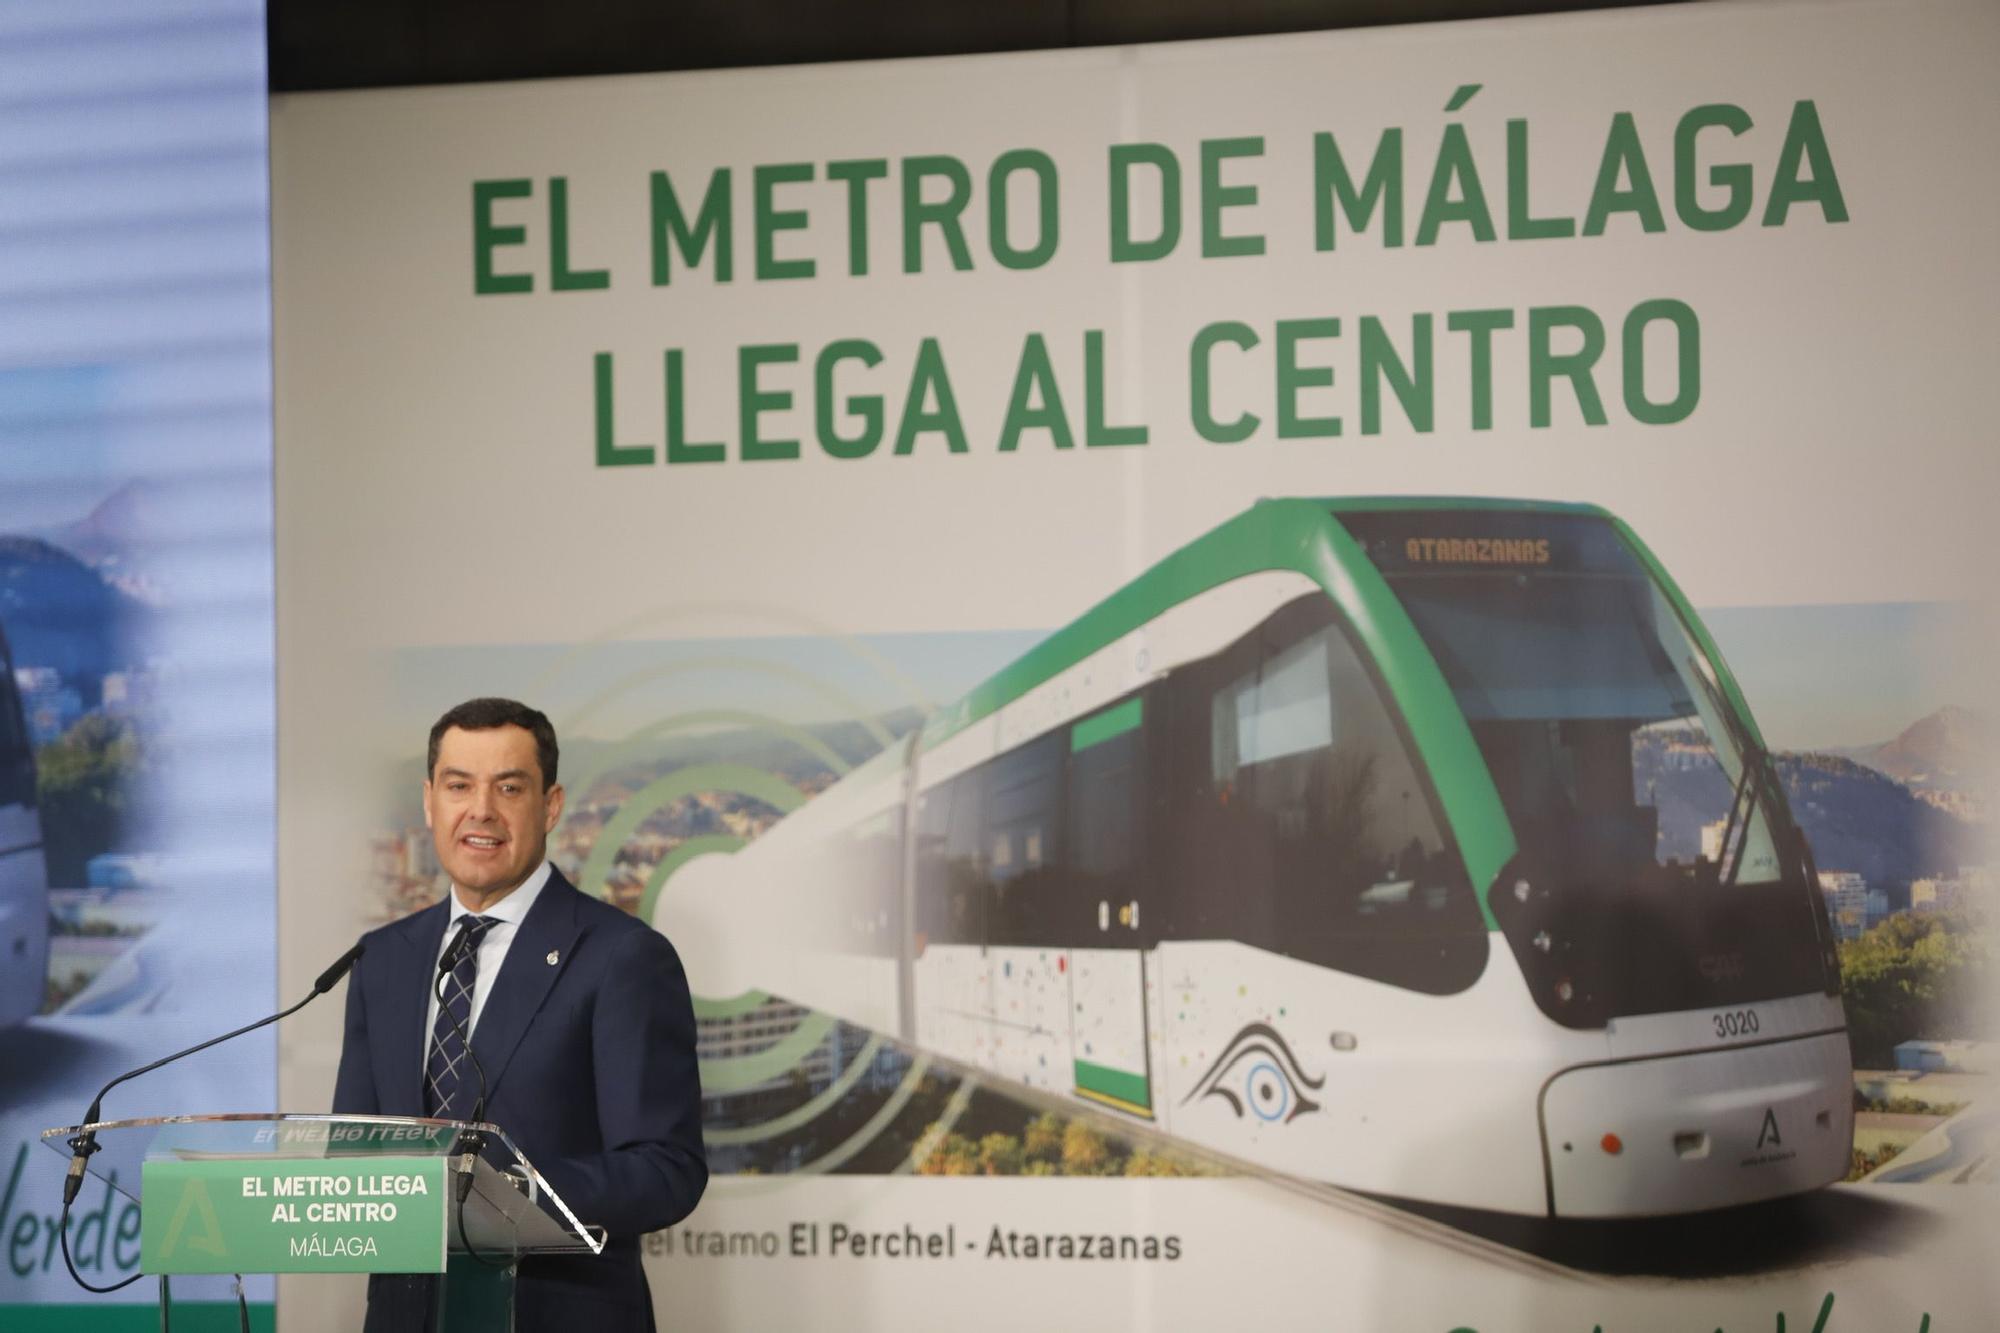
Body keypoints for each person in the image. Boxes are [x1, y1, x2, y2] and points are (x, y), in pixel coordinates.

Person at [334, 697, 706, 1331]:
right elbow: (353, 1148)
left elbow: (666, 1170)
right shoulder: (383, 959)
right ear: (430, 802)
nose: (481, 810)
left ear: (550, 806)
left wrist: (503, 1192)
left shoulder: (622, 956)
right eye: (459, 786)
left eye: (509, 787)